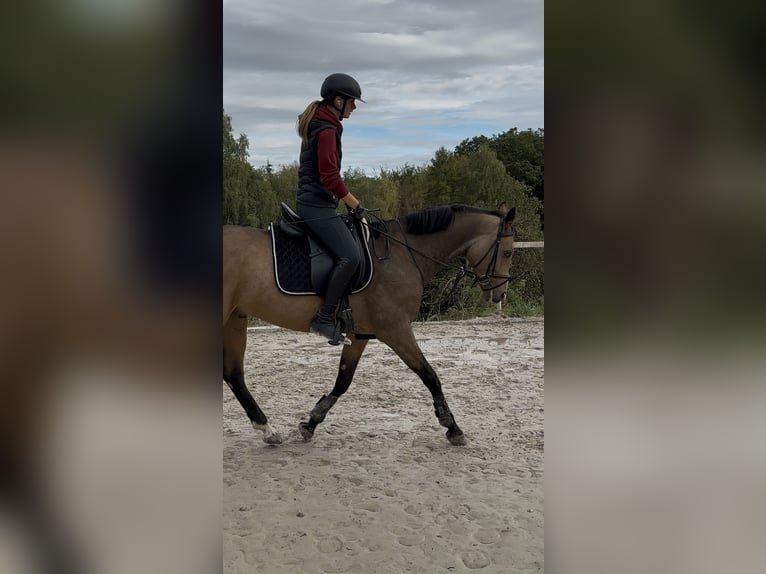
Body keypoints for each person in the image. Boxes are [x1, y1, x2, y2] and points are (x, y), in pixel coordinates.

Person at [295, 73, 368, 343]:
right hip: (315, 205)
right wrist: (354, 203)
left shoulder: (325, 123)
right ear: (338, 100)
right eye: (352, 101)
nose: (354, 107)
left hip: (317, 202)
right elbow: (329, 177)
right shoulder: (326, 129)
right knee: (351, 256)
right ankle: (324, 319)